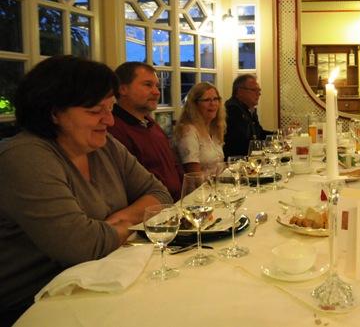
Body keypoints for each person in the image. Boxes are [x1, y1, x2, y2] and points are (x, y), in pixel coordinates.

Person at [0, 56, 172, 323]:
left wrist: (114, 223)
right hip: (33, 302)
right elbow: (81, 247)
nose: (110, 121)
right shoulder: (25, 157)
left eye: (110, 109)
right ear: (54, 113)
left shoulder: (105, 146)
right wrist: (132, 224)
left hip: (99, 278)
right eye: (95, 111)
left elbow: (160, 195)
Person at [108, 62, 183, 201]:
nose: (157, 92)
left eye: (156, 86)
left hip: (178, 203)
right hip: (154, 209)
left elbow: (173, 164)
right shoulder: (114, 130)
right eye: (148, 85)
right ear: (123, 89)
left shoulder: (150, 124)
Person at [174, 82, 225, 173]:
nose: (213, 103)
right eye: (207, 100)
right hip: (202, 182)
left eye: (215, 99)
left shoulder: (214, 128)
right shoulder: (188, 131)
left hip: (219, 181)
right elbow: (194, 175)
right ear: (194, 104)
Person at [224, 74, 272, 158]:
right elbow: (241, 144)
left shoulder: (249, 109)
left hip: (249, 159)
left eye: (259, 90)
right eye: (254, 90)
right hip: (237, 161)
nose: (259, 93)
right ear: (240, 92)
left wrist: (280, 136)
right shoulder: (232, 110)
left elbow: (259, 133)